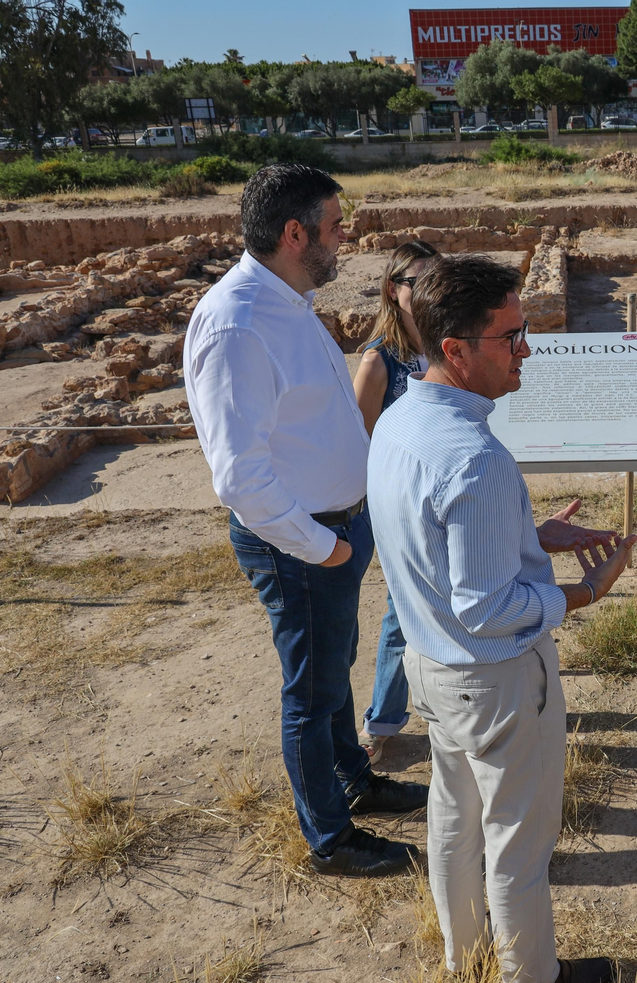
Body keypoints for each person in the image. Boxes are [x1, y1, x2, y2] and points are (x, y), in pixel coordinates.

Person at [367, 254, 637, 983]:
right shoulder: (476, 458)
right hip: (495, 677)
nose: (528, 351)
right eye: (512, 337)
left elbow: (433, 541)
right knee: (519, 842)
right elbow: (486, 608)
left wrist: (528, 533)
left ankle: (465, 959)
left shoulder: (399, 419)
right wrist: (580, 592)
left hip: (433, 665)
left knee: (453, 818)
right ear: (456, 349)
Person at [186, 163, 425, 879]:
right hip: (299, 541)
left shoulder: (286, 299)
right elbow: (239, 474)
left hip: (333, 530)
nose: (344, 237)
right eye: (334, 225)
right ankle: (329, 837)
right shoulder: (236, 323)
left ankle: (355, 779)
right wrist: (321, 547)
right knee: (310, 689)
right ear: (295, 233)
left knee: (332, 672)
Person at [350, 239, 440, 765]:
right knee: (401, 613)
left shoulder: (445, 341)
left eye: (435, 280)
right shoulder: (379, 359)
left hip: (450, 498)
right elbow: (359, 444)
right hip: (403, 506)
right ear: (393, 288)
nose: (426, 290)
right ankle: (382, 720)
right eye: (416, 281)